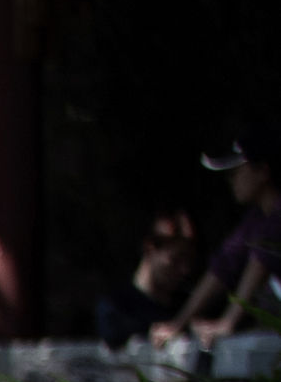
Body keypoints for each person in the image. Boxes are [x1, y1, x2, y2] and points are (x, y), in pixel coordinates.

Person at [155, 130, 281, 346]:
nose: (230, 180)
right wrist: (177, 324)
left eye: (236, 172)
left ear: (262, 171)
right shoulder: (258, 217)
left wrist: (228, 322)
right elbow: (223, 266)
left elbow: (259, 263)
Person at [101, 210, 203, 348]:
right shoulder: (116, 307)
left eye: (189, 261)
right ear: (150, 248)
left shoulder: (187, 307)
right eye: (176, 259)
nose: (184, 269)